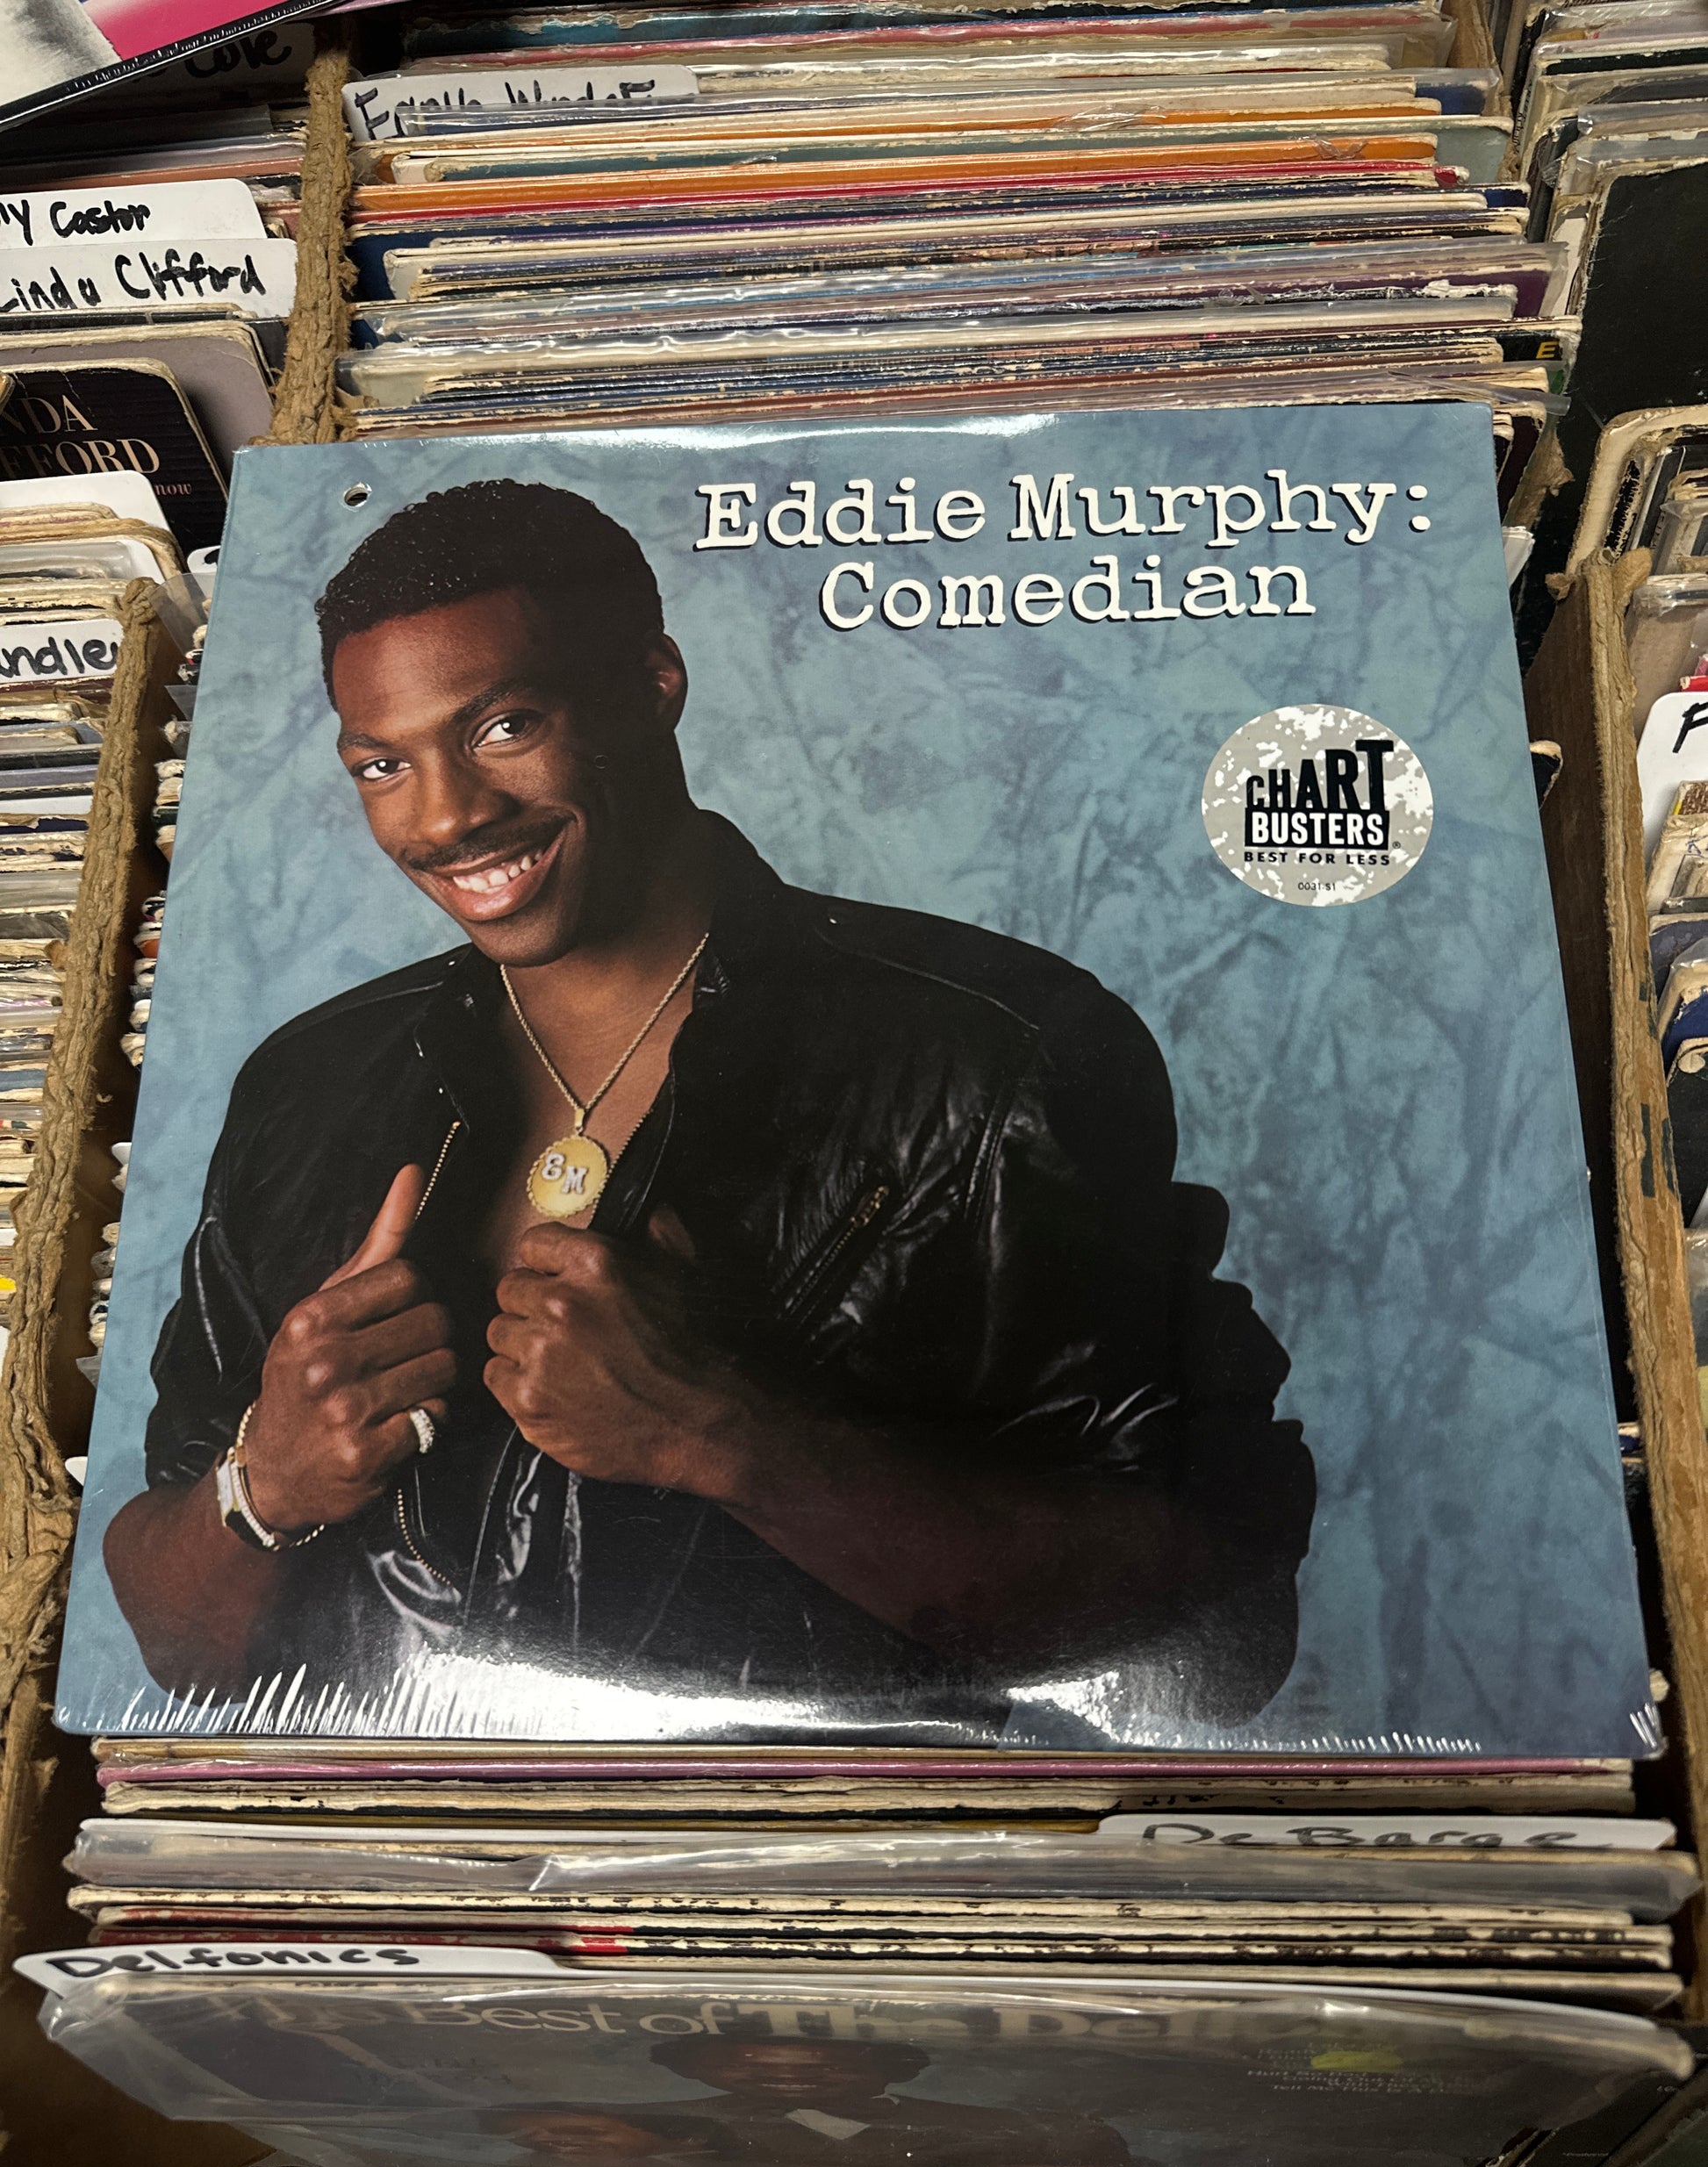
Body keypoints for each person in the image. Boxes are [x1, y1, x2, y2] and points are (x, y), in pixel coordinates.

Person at [103, 477, 1314, 1732]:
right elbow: (177, 1645)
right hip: (397, 1829)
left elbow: (1211, 1647)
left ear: (653, 683)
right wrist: (263, 1486)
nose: (448, 814)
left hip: (826, 1832)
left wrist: (719, 1431)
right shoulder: (309, 1081)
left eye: (506, 725)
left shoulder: (995, 1051)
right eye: (383, 764)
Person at [488, 2037, 1149, 2167]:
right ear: (700, 2071)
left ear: (892, 2068)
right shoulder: (639, 2121)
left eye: (828, 2064)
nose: (787, 2077)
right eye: (749, 2064)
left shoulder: (1022, 2127)